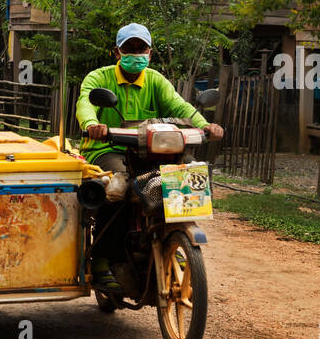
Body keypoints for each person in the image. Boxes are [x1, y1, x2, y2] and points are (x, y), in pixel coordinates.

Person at [75, 23, 224, 289]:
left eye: (140, 48)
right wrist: (91, 124)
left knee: (183, 179)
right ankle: (101, 260)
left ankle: (175, 241)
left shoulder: (155, 80)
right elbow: (85, 101)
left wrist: (205, 126)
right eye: (128, 48)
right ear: (117, 52)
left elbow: (180, 105)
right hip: (108, 150)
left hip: (151, 152)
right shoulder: (99, 77)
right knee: (117, 188)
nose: (135, 53)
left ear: (150, 52)